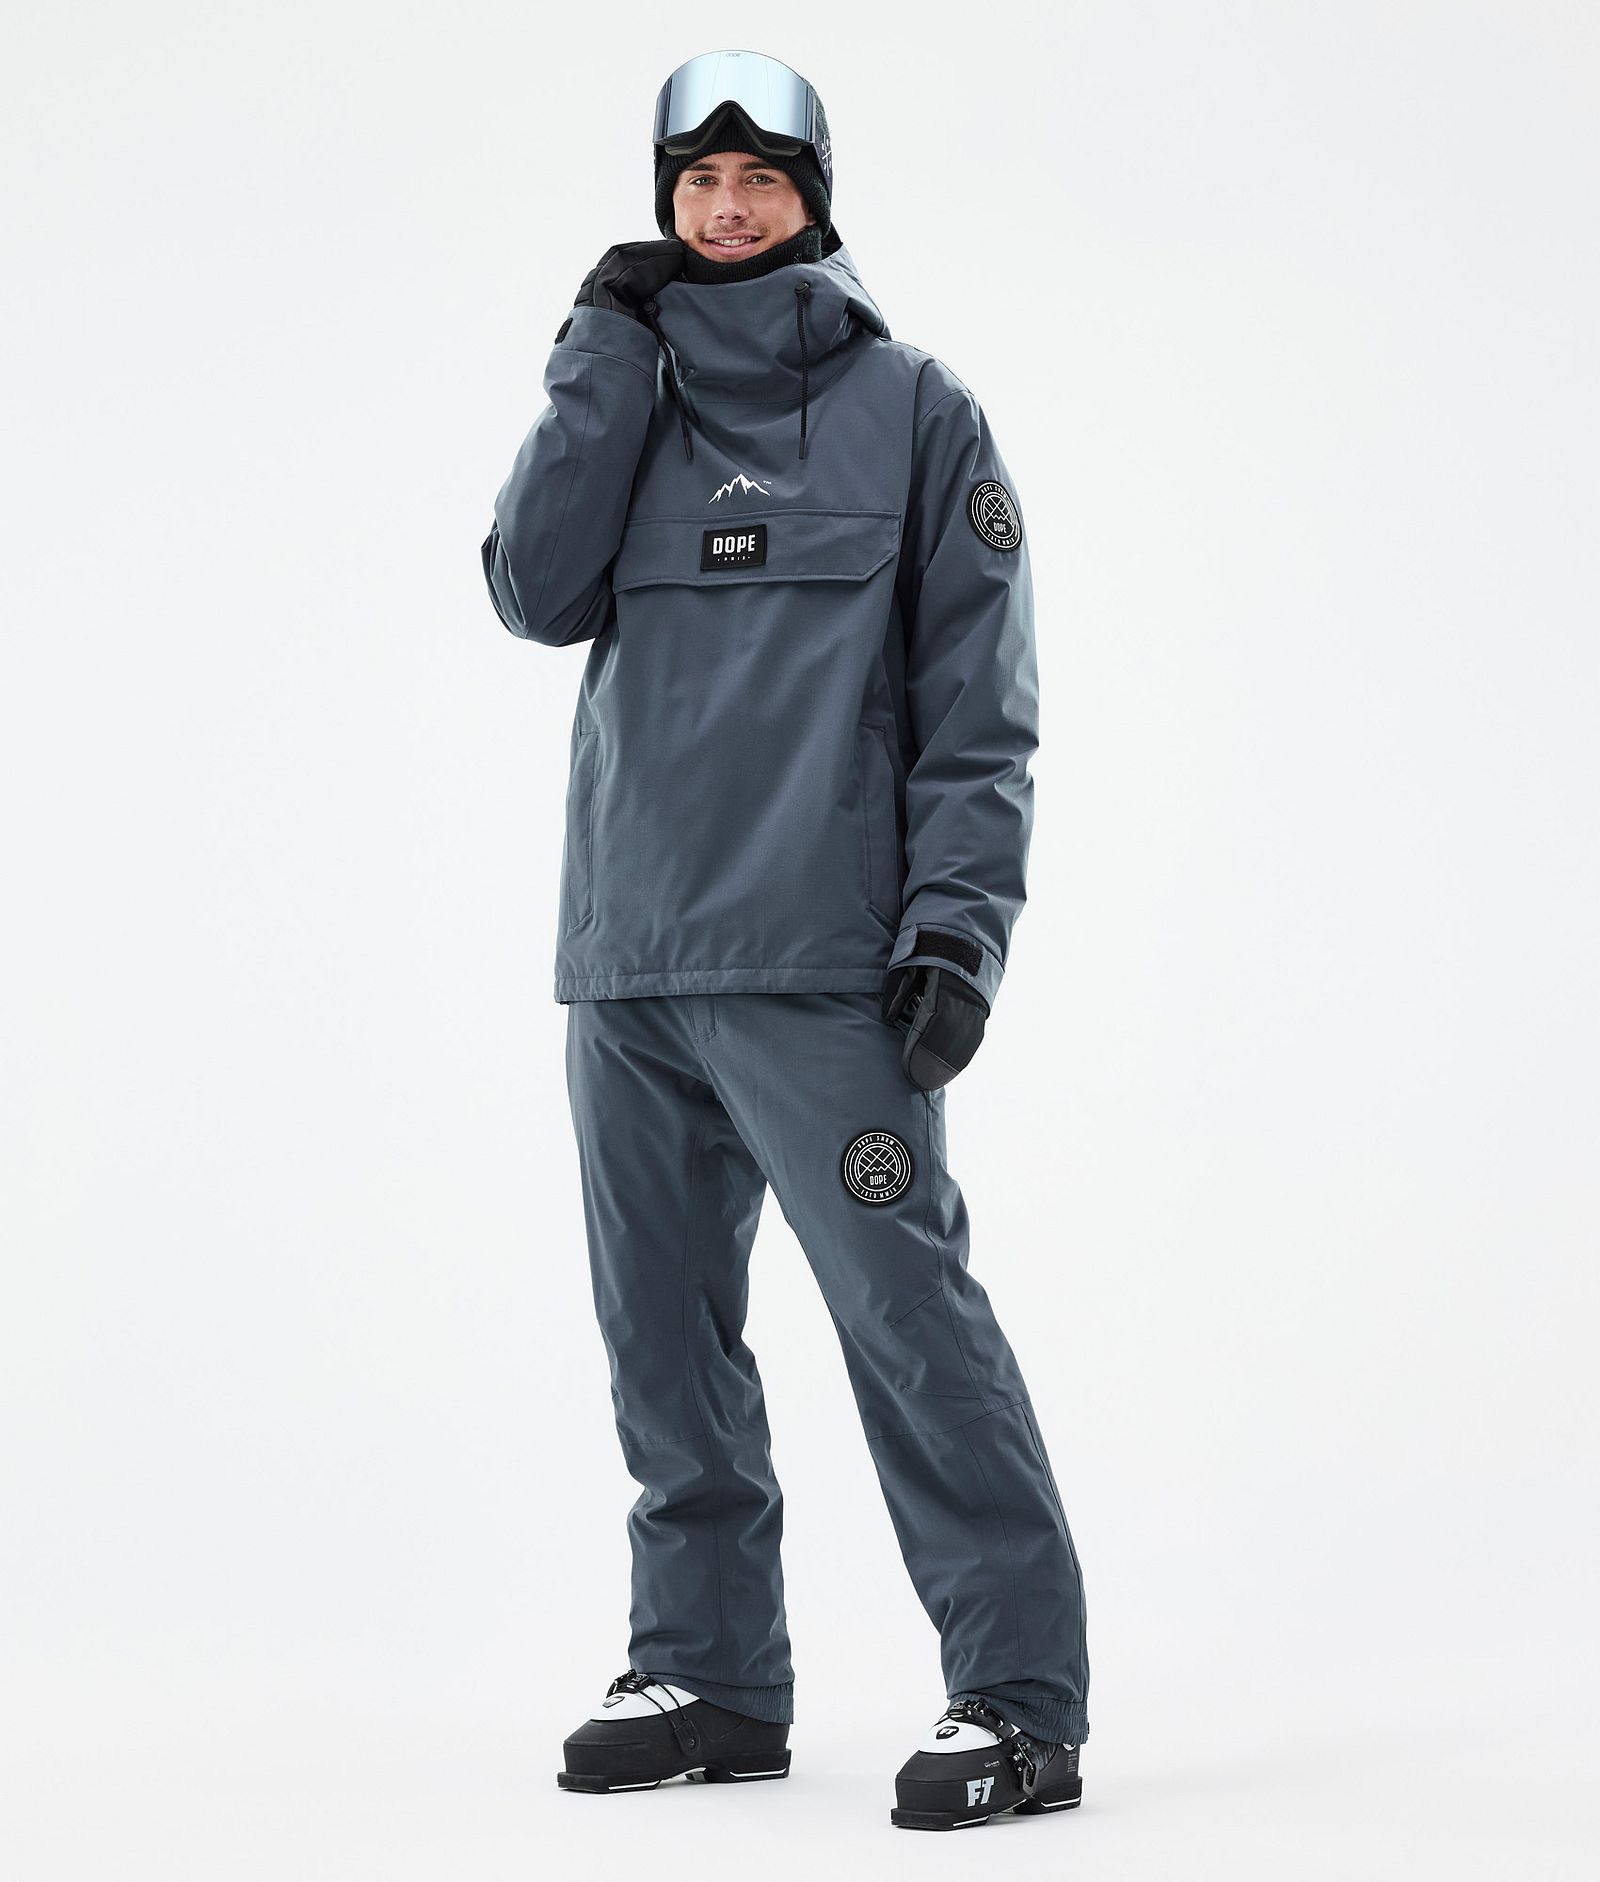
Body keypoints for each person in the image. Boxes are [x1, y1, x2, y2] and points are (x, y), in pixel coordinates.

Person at [480, 48, 1090, 1831]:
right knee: (662, 1343)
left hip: (826, 970)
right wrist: (601, 351)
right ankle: (711, 1673)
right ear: (664, 199)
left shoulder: (918, 411)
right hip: (632, 962)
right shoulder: (627, 392)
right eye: (698, 181)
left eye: (761, 179)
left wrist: (957, 931)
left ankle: (1021, 1699)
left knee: (911, 1325)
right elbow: (530, 587)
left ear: (816, 194)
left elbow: (981, 707)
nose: (729, 207)